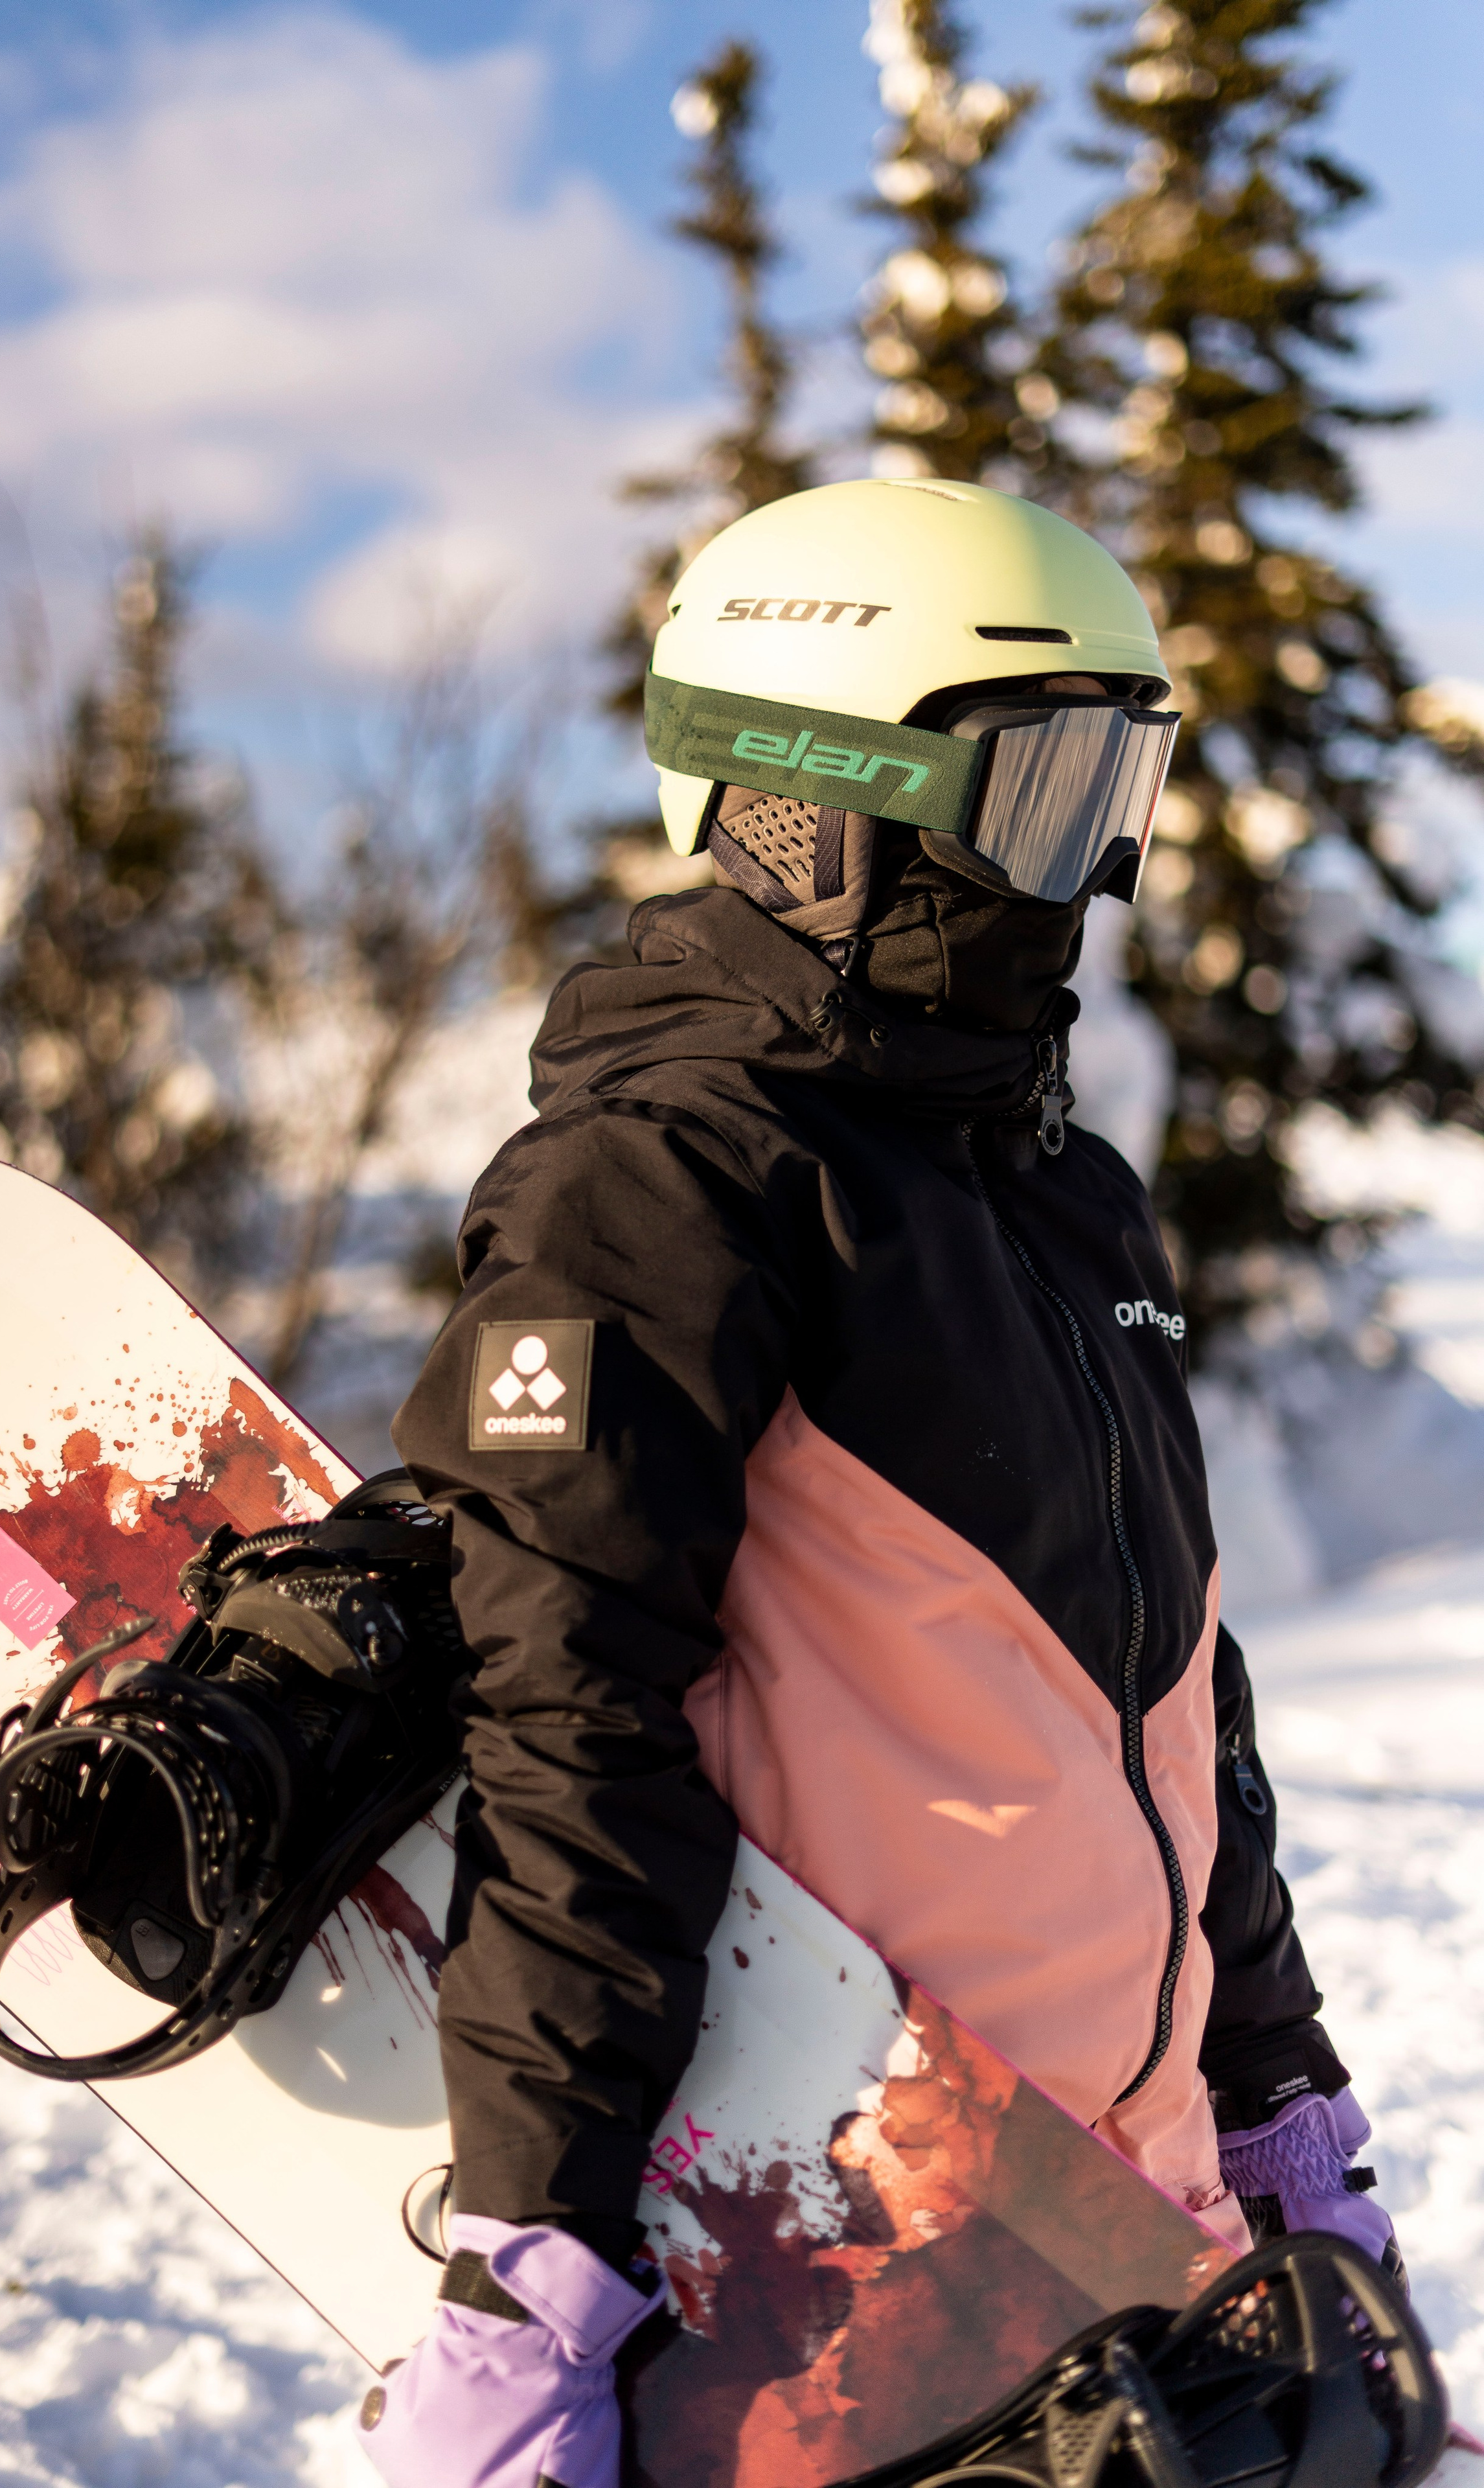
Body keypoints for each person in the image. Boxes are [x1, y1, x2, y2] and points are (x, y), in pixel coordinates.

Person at [354, 480, 1398, 2488]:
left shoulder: (1065, 1200)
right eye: (1040, 794)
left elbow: (1174, 1695)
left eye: (1122, 790)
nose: (1086, 872)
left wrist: (1276, 2101)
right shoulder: (658, 1190)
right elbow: (570, 1727)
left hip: (1129, 2227)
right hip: (846, 2242)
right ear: (817, 796)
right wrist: (533, 2257)